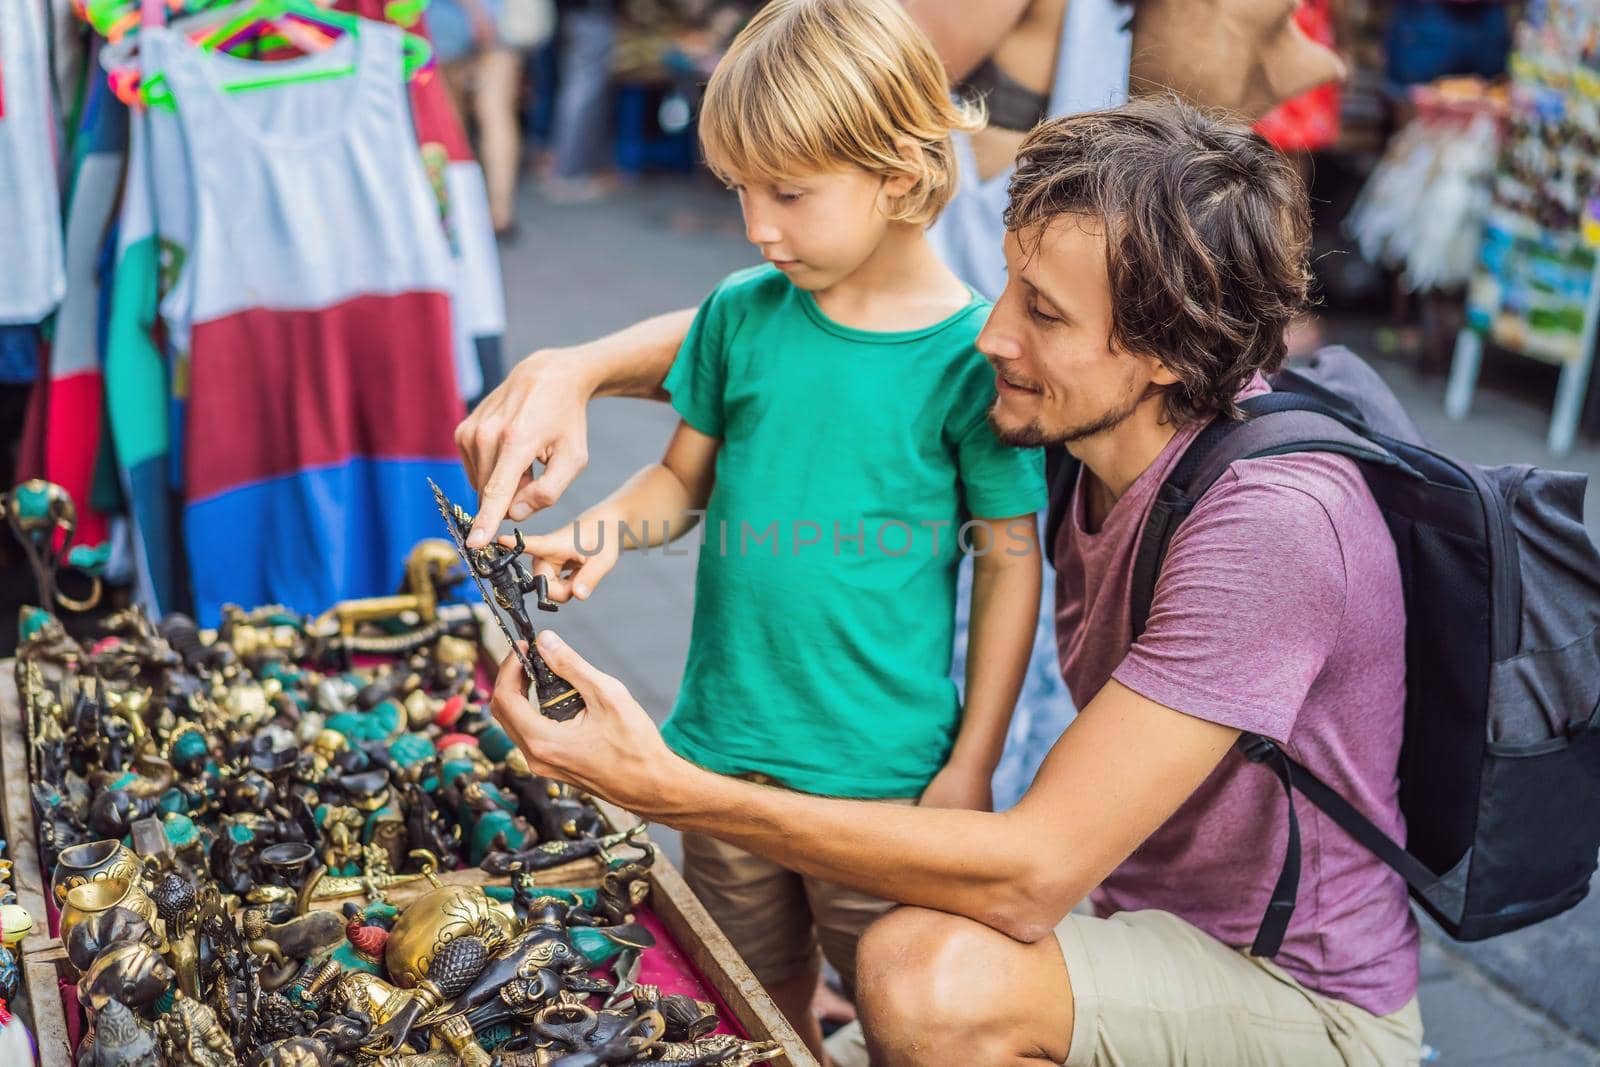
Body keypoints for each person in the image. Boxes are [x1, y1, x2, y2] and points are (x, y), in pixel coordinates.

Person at [478, 98, 1425, 1066]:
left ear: (1163, 352)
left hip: (1289, 987)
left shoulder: (1268, 528)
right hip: (1123, 914)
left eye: (1042, 313)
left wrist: (672, 790)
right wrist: (575, 366)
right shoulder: (1086, 411)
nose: (990, 335)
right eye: (1010, 287)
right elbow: (798, 329)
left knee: (922, 978)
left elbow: (1030, 876)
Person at [493, 1, 1046, 1058]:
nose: (757, 224)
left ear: (896, 173)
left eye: (788, 192)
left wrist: (972, 763)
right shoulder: (739, 312)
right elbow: (677, 478)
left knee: (903, 1002)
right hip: (714, 757)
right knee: (751, 995)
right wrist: (601, 530)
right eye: (740, 188)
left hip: (885, 780)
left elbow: (1012, 569)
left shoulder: (970, 357)